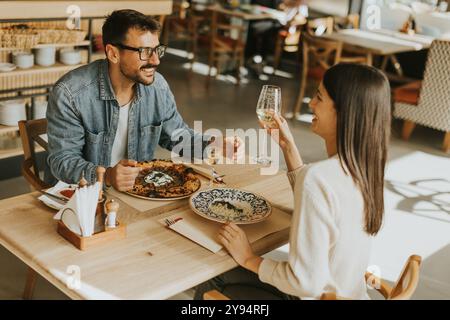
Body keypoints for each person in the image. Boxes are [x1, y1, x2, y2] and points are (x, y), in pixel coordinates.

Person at [194, 63, 392, 300]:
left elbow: (305, 282)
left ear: (344, 112)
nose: (311, 104)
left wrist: (249, 257)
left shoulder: (319, 178)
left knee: (211, 283)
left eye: (319, 97)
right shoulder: (367, 171)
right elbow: (320, 201)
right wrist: (288, 147)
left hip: (310, 296)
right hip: (349, 294)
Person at [45, 9, 239, 190]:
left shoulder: (157, 87)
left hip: (138, 191)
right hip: (81, 196)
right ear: (113, 53)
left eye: (157, 50)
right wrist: (108, 177)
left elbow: (176, 136)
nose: (155, 60)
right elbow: (63, 161)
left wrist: (211, 145)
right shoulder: (70, 93)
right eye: (145, 52)